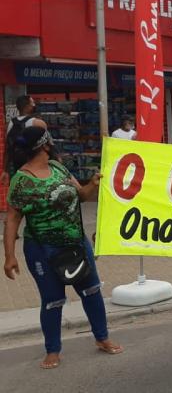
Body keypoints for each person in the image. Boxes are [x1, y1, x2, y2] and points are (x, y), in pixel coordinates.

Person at [3, 127, 123, 369]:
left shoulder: (59, 168)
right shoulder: (21, 180)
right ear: (44, 145)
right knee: (53, 300)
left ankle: (102, 338)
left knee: (91, 291)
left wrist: (93, 183)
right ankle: (53, 350)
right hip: (42, 250)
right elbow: (12, 219)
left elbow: (81, 196)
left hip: (77, 244)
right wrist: (9, 256)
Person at [4, 95, 46, 185]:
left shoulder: (9, 124)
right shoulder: (38, 123)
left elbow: (8, 149)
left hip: (16, 169)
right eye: (32, 103)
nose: (34, 105)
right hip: (34, 169)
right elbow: (48, 146)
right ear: (27, 106)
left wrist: (5, 170)